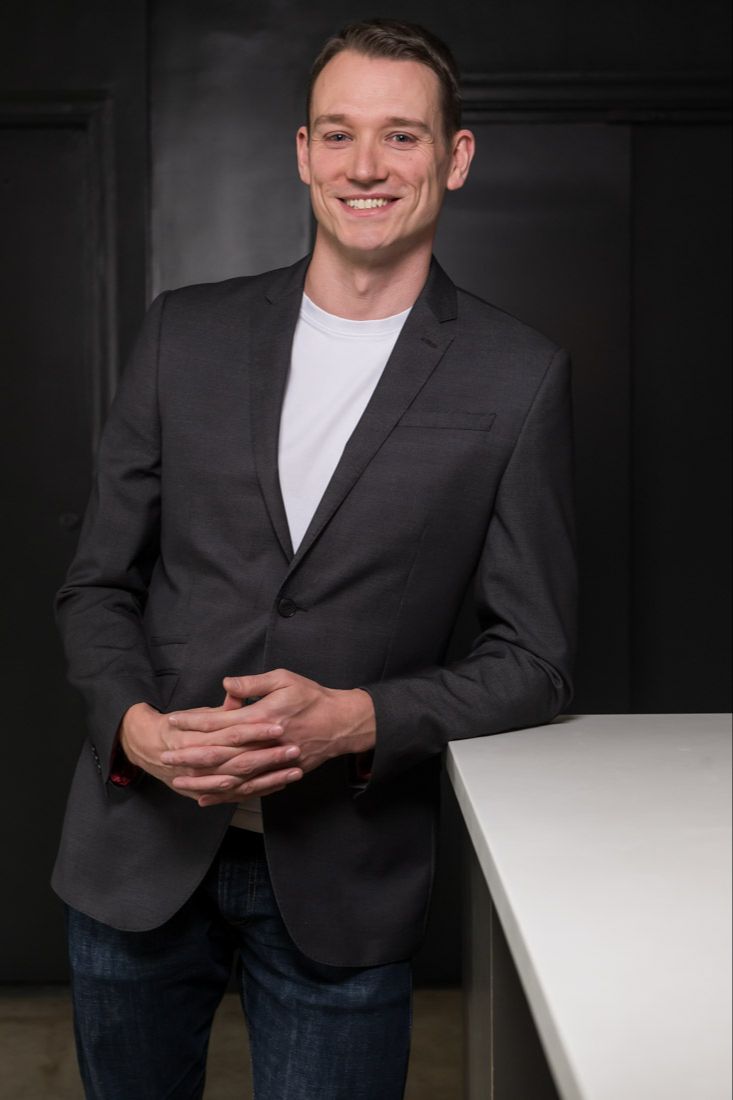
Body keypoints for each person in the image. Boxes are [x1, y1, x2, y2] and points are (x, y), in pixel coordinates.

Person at [54, 17, 577, 1100]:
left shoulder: (517, 376)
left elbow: (534, 660)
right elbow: (97, 583)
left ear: (454, 157)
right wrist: (135, 727)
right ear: (302, 153)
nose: (365, 166)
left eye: (400, 136)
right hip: (138, 849)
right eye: (338, 134)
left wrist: (358, 719)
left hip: (346, 874)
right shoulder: (183, 333)